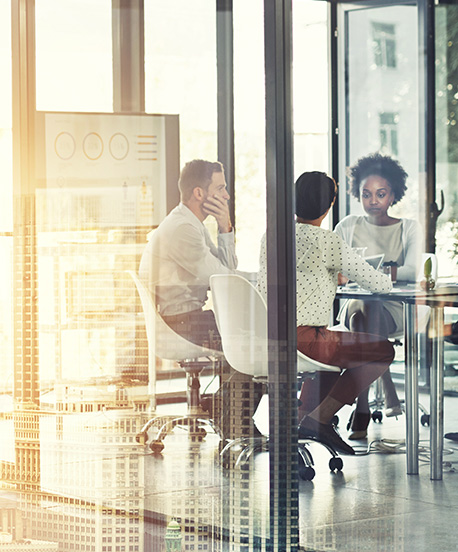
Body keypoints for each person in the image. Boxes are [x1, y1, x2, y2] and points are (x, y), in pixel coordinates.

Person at [257, 171, 395, 455]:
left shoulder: (270, 236)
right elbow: (380, 283)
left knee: (334, 343)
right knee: (382, 350)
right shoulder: (328, 241)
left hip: (270, 335)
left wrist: (330, 275)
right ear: (330, 204)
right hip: (307, 341)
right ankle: (319, 420)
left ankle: (304, 422)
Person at [139, 159, 263, 438]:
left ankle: (223, 407)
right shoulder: (183, 229)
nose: (227, 195)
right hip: (179, 325)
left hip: (183, 319)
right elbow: (224, 279)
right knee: (254, 338)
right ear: (199, 193)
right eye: (220, 188)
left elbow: (225, 271)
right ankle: (233, 416)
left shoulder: (190, 224)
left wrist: (225, 228)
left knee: (249, 332)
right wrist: (225, 224)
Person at [334, 153, 421, 438]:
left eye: (381, 194)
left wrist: (369, 270)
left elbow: (412, 271)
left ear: (393, 194)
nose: (373, 201)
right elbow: (334, 267)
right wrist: (387, 269)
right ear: (357, 194)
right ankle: (383, 392)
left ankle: (362, 408)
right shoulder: (348, 226)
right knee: (362, 309)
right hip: (354, 306)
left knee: (368, 313)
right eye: (366, 194)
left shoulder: (409, 227)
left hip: (395, 308)